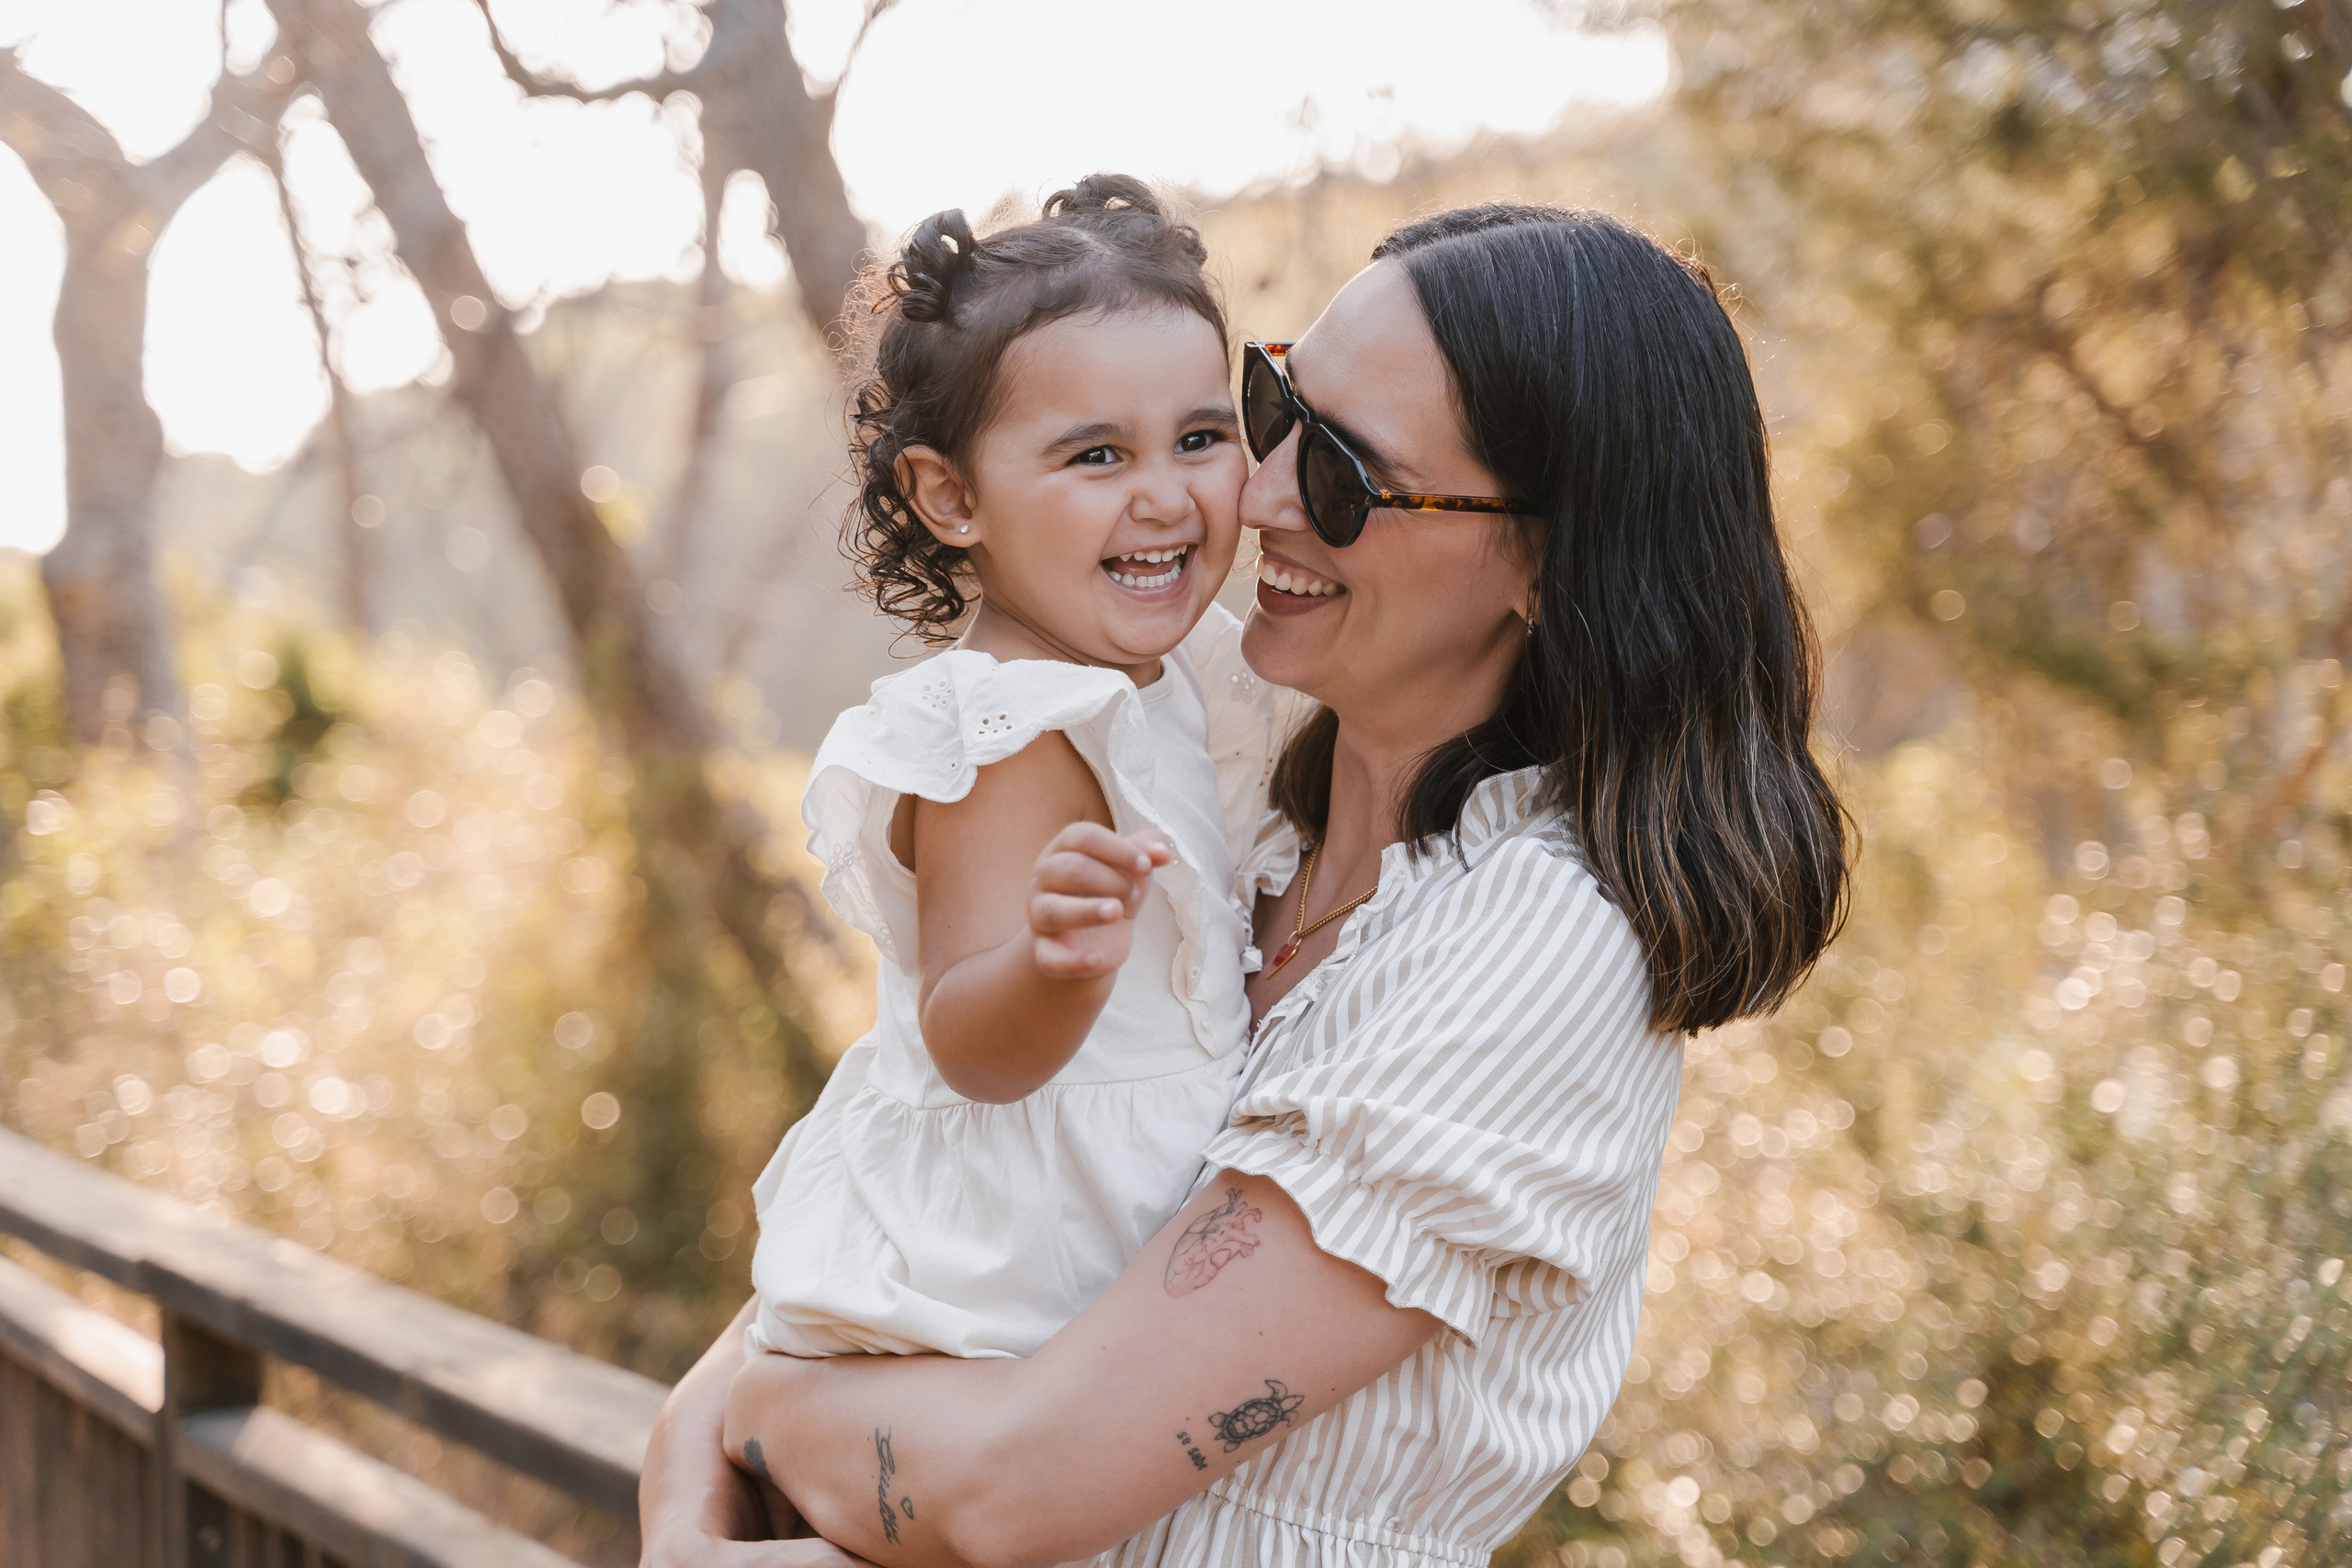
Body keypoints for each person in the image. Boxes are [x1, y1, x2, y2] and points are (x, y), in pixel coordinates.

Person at [646, 204, 1852, 1568]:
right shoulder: (1225, 783)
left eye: (1343, 475)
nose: (1256, 495)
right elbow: (923, 1167)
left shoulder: (1537, 946)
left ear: (1549, 562)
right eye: (1275, 409)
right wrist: (700, 1471)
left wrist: (751, 1415)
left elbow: (1007, 1495)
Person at [739, 172, 1307, 1380]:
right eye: (1096, 454)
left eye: (1201, 438)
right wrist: (1055, 966)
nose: (1165, 492)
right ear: (950, 496)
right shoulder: (1001, 729)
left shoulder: (1193, 674)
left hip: (1123, 1254)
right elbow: (970, 1044)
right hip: (1000, 1282)